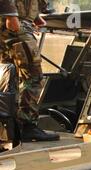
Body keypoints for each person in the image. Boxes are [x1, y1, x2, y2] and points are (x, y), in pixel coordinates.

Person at [0, 0, 59, 141]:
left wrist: (35, 16)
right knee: (33, 77)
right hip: (15, 25)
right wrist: (11, 16)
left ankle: (11, 126)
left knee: (11, 74)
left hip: (16, 24)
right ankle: (28, 126)